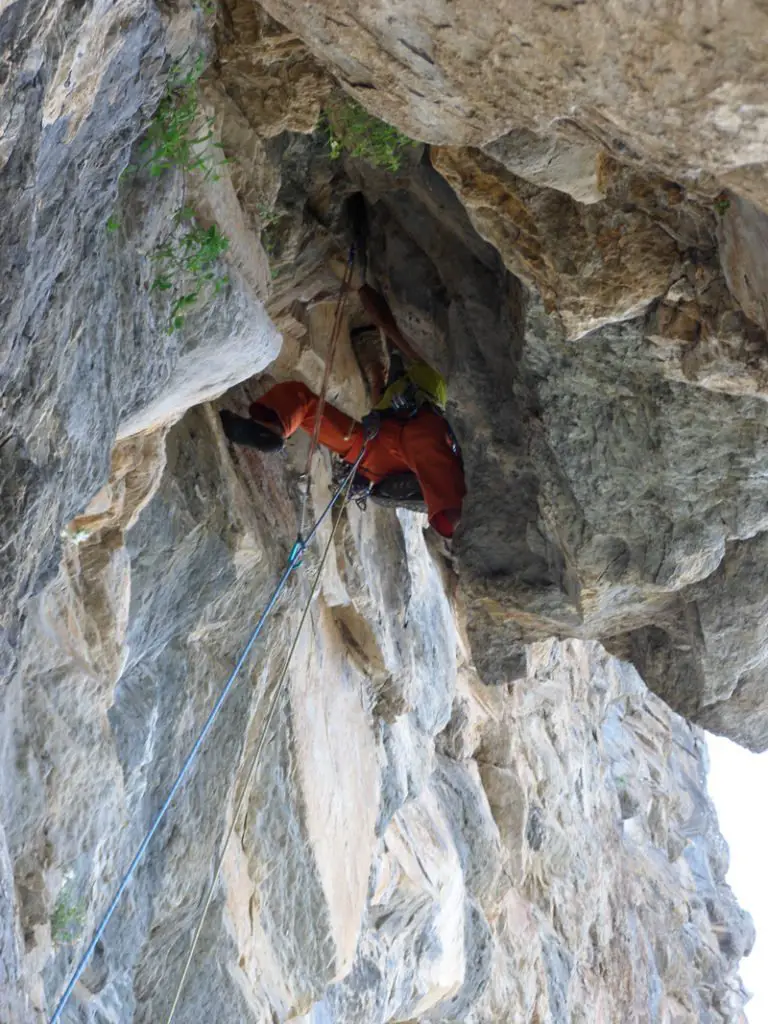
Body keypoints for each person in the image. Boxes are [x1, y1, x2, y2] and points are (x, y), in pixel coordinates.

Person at [220, 284, 465, 538]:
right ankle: (271, 430)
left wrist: (370, 299)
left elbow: (396, 335)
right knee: (309, 408)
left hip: (407, 439)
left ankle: (275, 422)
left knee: (303, 400)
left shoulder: (431, 377)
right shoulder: (422, 390)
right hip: (380, 459)